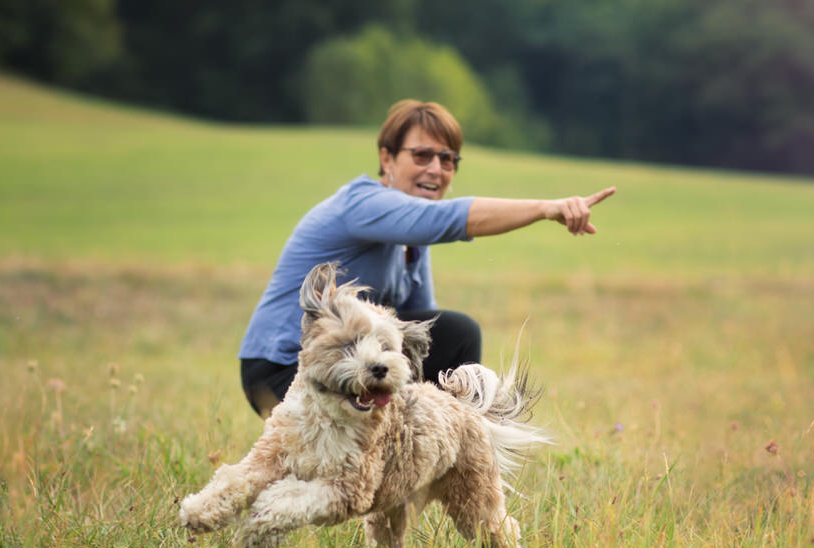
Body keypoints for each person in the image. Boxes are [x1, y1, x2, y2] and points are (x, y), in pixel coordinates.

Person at [239, 99, 615, 418]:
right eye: (421, 155)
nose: (436, 169)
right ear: (387, 158)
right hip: (282, 368)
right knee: (459, 331)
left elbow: (424, 335)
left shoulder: (411, 241)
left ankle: (457, 455)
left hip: (353, 362)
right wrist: (546, 208)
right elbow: (448, 219)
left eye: (448, 160)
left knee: (448, 338)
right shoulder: (363, 204)